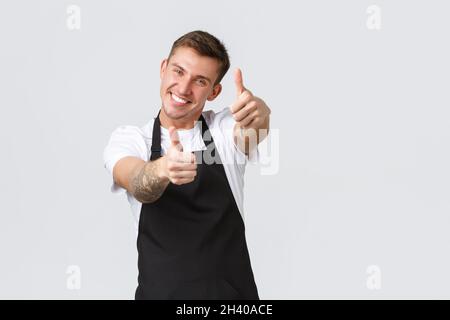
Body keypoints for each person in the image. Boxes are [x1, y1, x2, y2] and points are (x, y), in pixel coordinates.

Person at [103, 30, 271, 300]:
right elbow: (136, 180)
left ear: (214, 91)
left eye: (200, 81)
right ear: (163, 68)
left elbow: (253, 130)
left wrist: (259, 113)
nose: (183, 88)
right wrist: (162, 169)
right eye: (178, 72)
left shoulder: (223, 130)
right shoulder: (132, 139)